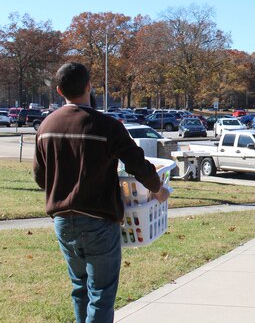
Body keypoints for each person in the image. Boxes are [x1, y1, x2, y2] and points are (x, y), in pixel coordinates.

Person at [33, 62, 170, 323]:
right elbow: (138, 164)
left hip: (62, 221)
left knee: (80, 288)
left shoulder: (45, 127)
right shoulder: (107, 126)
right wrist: (158, 189)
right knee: (101, 294)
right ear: (89, 86)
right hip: (98, 221)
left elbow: (42, 179)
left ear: (59, 90)